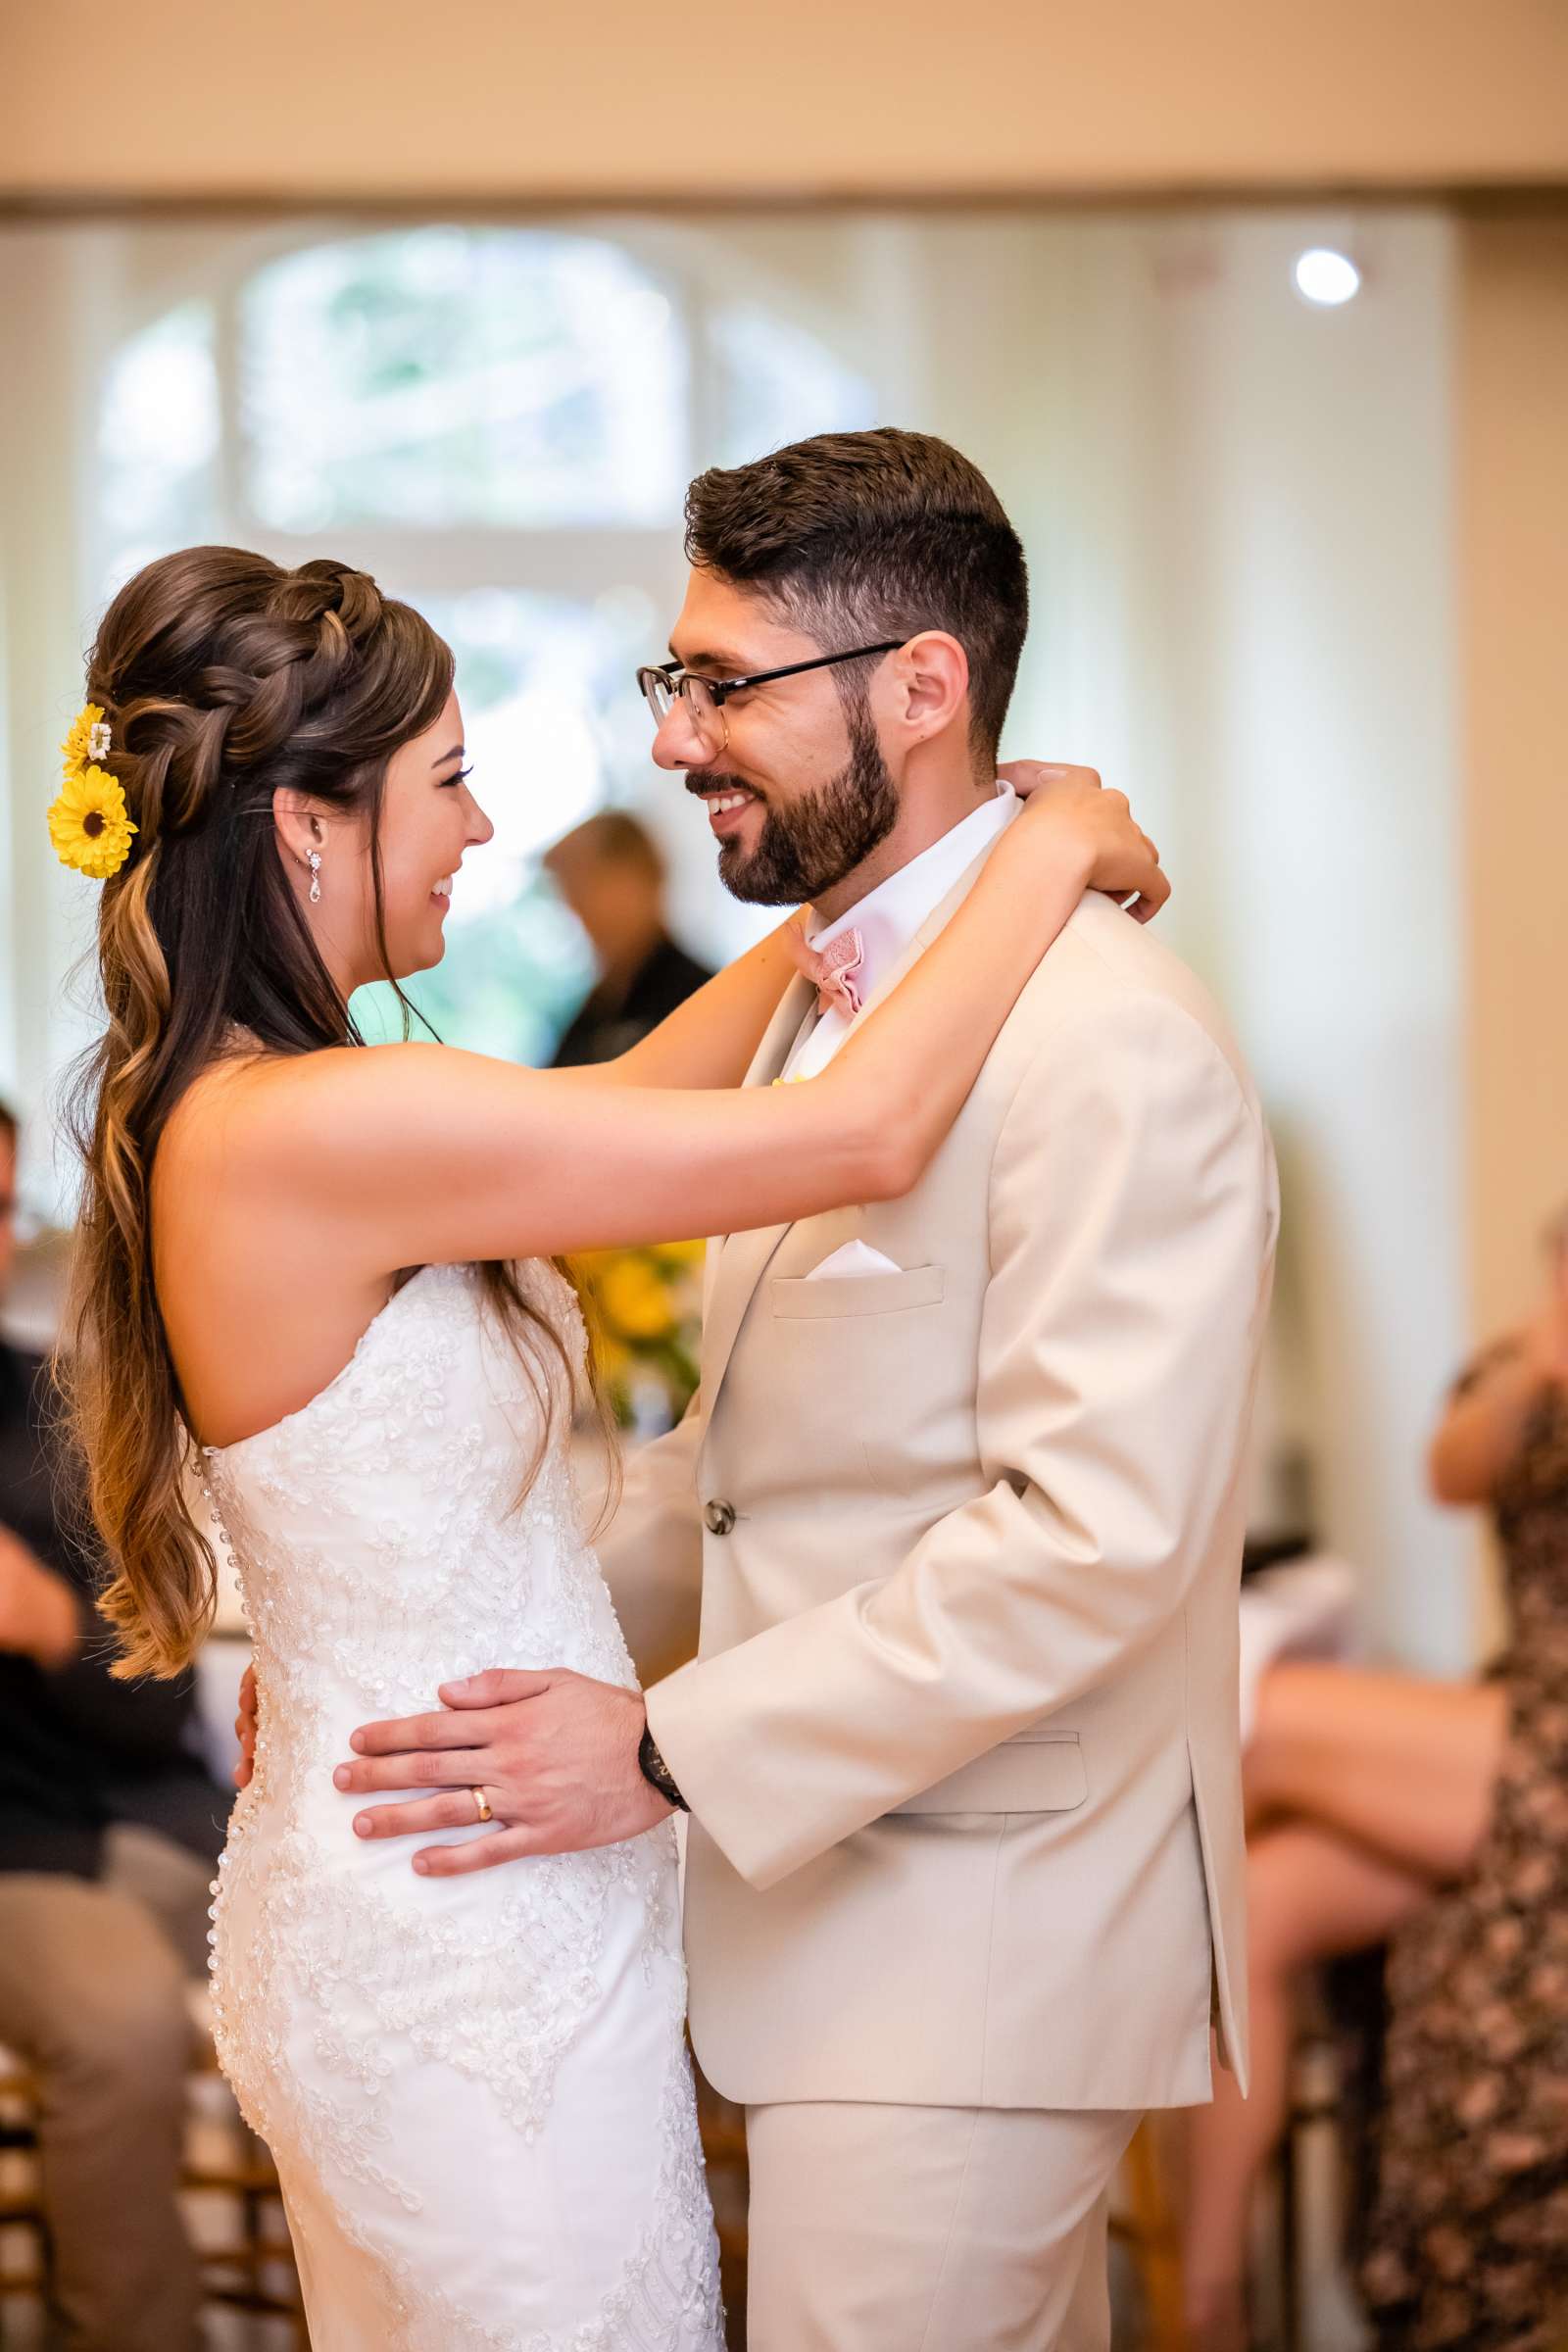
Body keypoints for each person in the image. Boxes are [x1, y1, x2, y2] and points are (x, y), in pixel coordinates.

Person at [63, 539, 1163, 2352]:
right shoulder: (314, 1126)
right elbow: (869, 1134)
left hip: (456, 1895)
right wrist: (1041, 853)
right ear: (307, 829)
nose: (484, 833)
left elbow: (641, 1099)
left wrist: (874, 912)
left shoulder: (276, 1105)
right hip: (461, 1943)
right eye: (449, 783)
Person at [320, 428, 1279, 2352]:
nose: (673, 741)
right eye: (673, 682)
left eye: (721, 684)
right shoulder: (828, 1020)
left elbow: (1089, 1543)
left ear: (920, 690)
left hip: (983, 1939)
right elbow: (743, 1479)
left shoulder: (1104, 1043)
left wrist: (665, 1749)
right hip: (840, 1922)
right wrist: (424, 1671)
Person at [1182, 1215, 1568, 2352]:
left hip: (1538, 1748)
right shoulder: (1520, 1367)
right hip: (1518, 1724)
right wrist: (1540, 1361)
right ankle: (1206, 2299)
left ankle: (1064, 1967)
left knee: (1261, 1717)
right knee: (1260, 1900)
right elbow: (1450, 1470)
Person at [0, 1097, 227, 2352]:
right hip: (31, 1861)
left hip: (124, 1825)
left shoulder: (73, 1411)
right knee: (123, 2017)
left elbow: (160, 1706)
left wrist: (46, 1625)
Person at [544, 809, 713, 1067]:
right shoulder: (599, 1006)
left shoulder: (701, 996)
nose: (575, 906)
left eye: (587, 883)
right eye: (568, 890)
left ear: (640, 876)